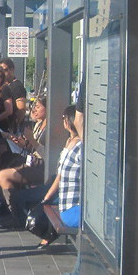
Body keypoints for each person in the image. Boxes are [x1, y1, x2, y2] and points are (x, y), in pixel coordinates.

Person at [0, 96, 47, 228]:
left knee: (3, 176)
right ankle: (13, 211)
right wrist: (22, 143)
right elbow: (32, 148)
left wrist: (31, 139)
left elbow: (48, 155)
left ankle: (16, 215)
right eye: (34, 107)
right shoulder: (38, 125)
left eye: (38, 107)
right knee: (4, 164)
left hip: (42, 167)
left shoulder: (50, 130)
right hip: (32, 161)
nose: (34, 110)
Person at [37, 105, 82, 251]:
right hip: (72, 209)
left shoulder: (72, 144)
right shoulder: (81, 147)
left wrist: (47, 197)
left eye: (64, 118)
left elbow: (61, 174)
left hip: (66, 207)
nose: (62, 121)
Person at [0, 58, 28, 133]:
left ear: (12, 70)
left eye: (4, 70)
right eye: (0, 71)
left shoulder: (16, 86)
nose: (1, 73)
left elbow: (21, 109)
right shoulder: (7, 86)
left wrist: (14, 127)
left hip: (12, 131)